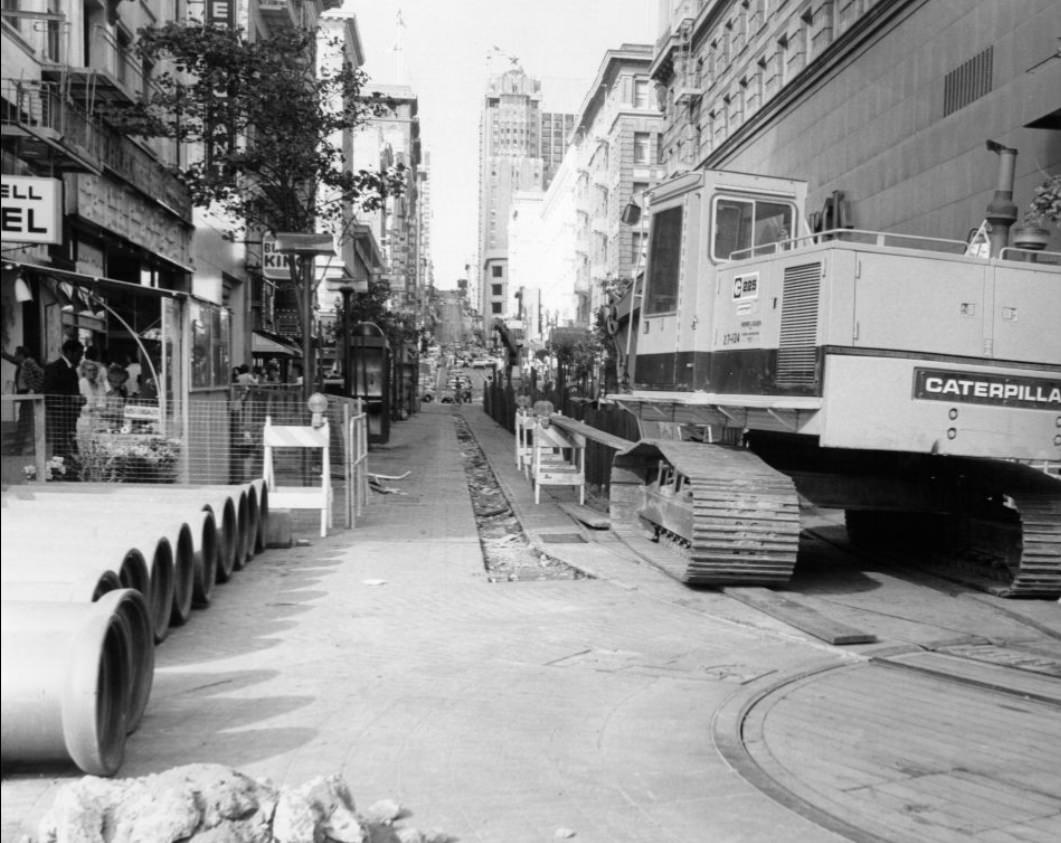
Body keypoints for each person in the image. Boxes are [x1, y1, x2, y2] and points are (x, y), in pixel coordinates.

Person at [42, 339, 83, 461]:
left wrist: (79, 399)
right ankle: (59, 469)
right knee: (61, 443)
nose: (81, 357)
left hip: (71, 414)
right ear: (70, 352)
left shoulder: (72, 370)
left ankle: (69, 468)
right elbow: (48, 392)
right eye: (79, 354)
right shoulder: (53, 368)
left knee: (70, 441)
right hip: (59, 415)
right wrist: (70, 398)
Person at [2, 346, 44, 452]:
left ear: (21, 355)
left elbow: (41, 374)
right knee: (24, 420)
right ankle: (21, 447)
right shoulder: (22, 364)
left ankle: (20, 447)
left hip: (28, 394)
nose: (15, 356)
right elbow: (12, 359)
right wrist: (3, 353)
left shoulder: (29, 362)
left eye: (17, 354)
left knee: (24, 420)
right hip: (24, 394)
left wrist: (34, 388)